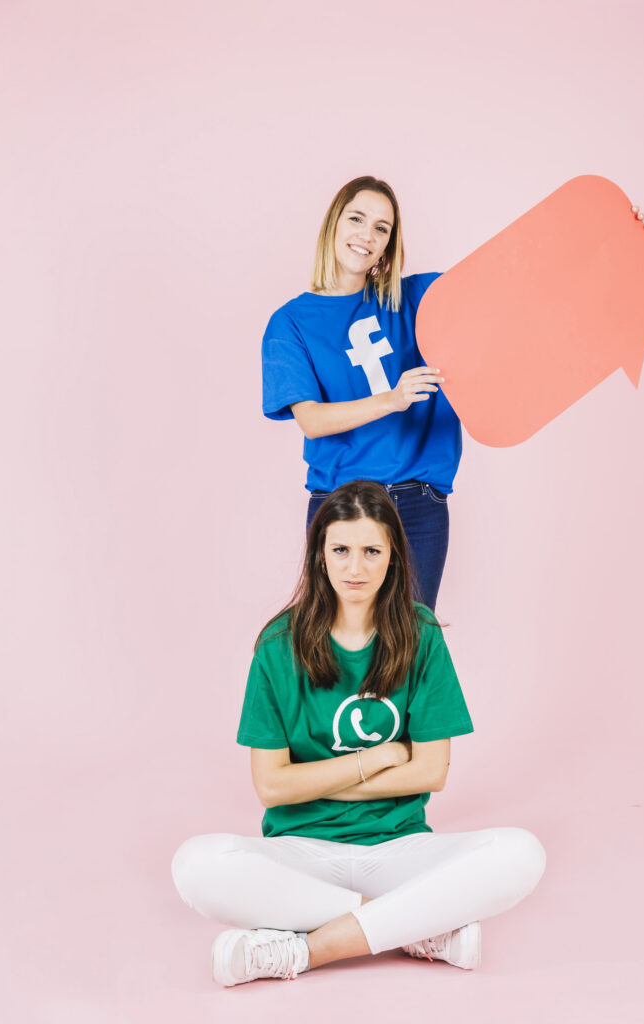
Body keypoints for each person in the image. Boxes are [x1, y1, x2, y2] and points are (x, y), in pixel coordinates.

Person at [171, 481, 545, 987]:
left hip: (399, 850)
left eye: (372, 551)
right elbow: (272, 787)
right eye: (341, 550)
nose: (355, 568)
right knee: (196, 864)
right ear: (319, 555)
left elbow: (430, 773)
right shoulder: (277, 644)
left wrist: (313, 782)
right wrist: (376, 759)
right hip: (300, 852)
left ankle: (302, 951)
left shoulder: (421, 633)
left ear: (393, 557)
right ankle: (416, 928)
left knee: (521, 853)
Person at [261, 176, 458, 610]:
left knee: (410, 643)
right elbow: (311, 419)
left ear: (388, 245)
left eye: (381, 228)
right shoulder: (290, 323)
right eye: (356, 219)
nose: (366, 235)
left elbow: (504, 289)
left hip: (418, 505)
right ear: (334, 223)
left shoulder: (416, 298)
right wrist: (393, 399)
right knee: (341, 643)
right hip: (342, 505)